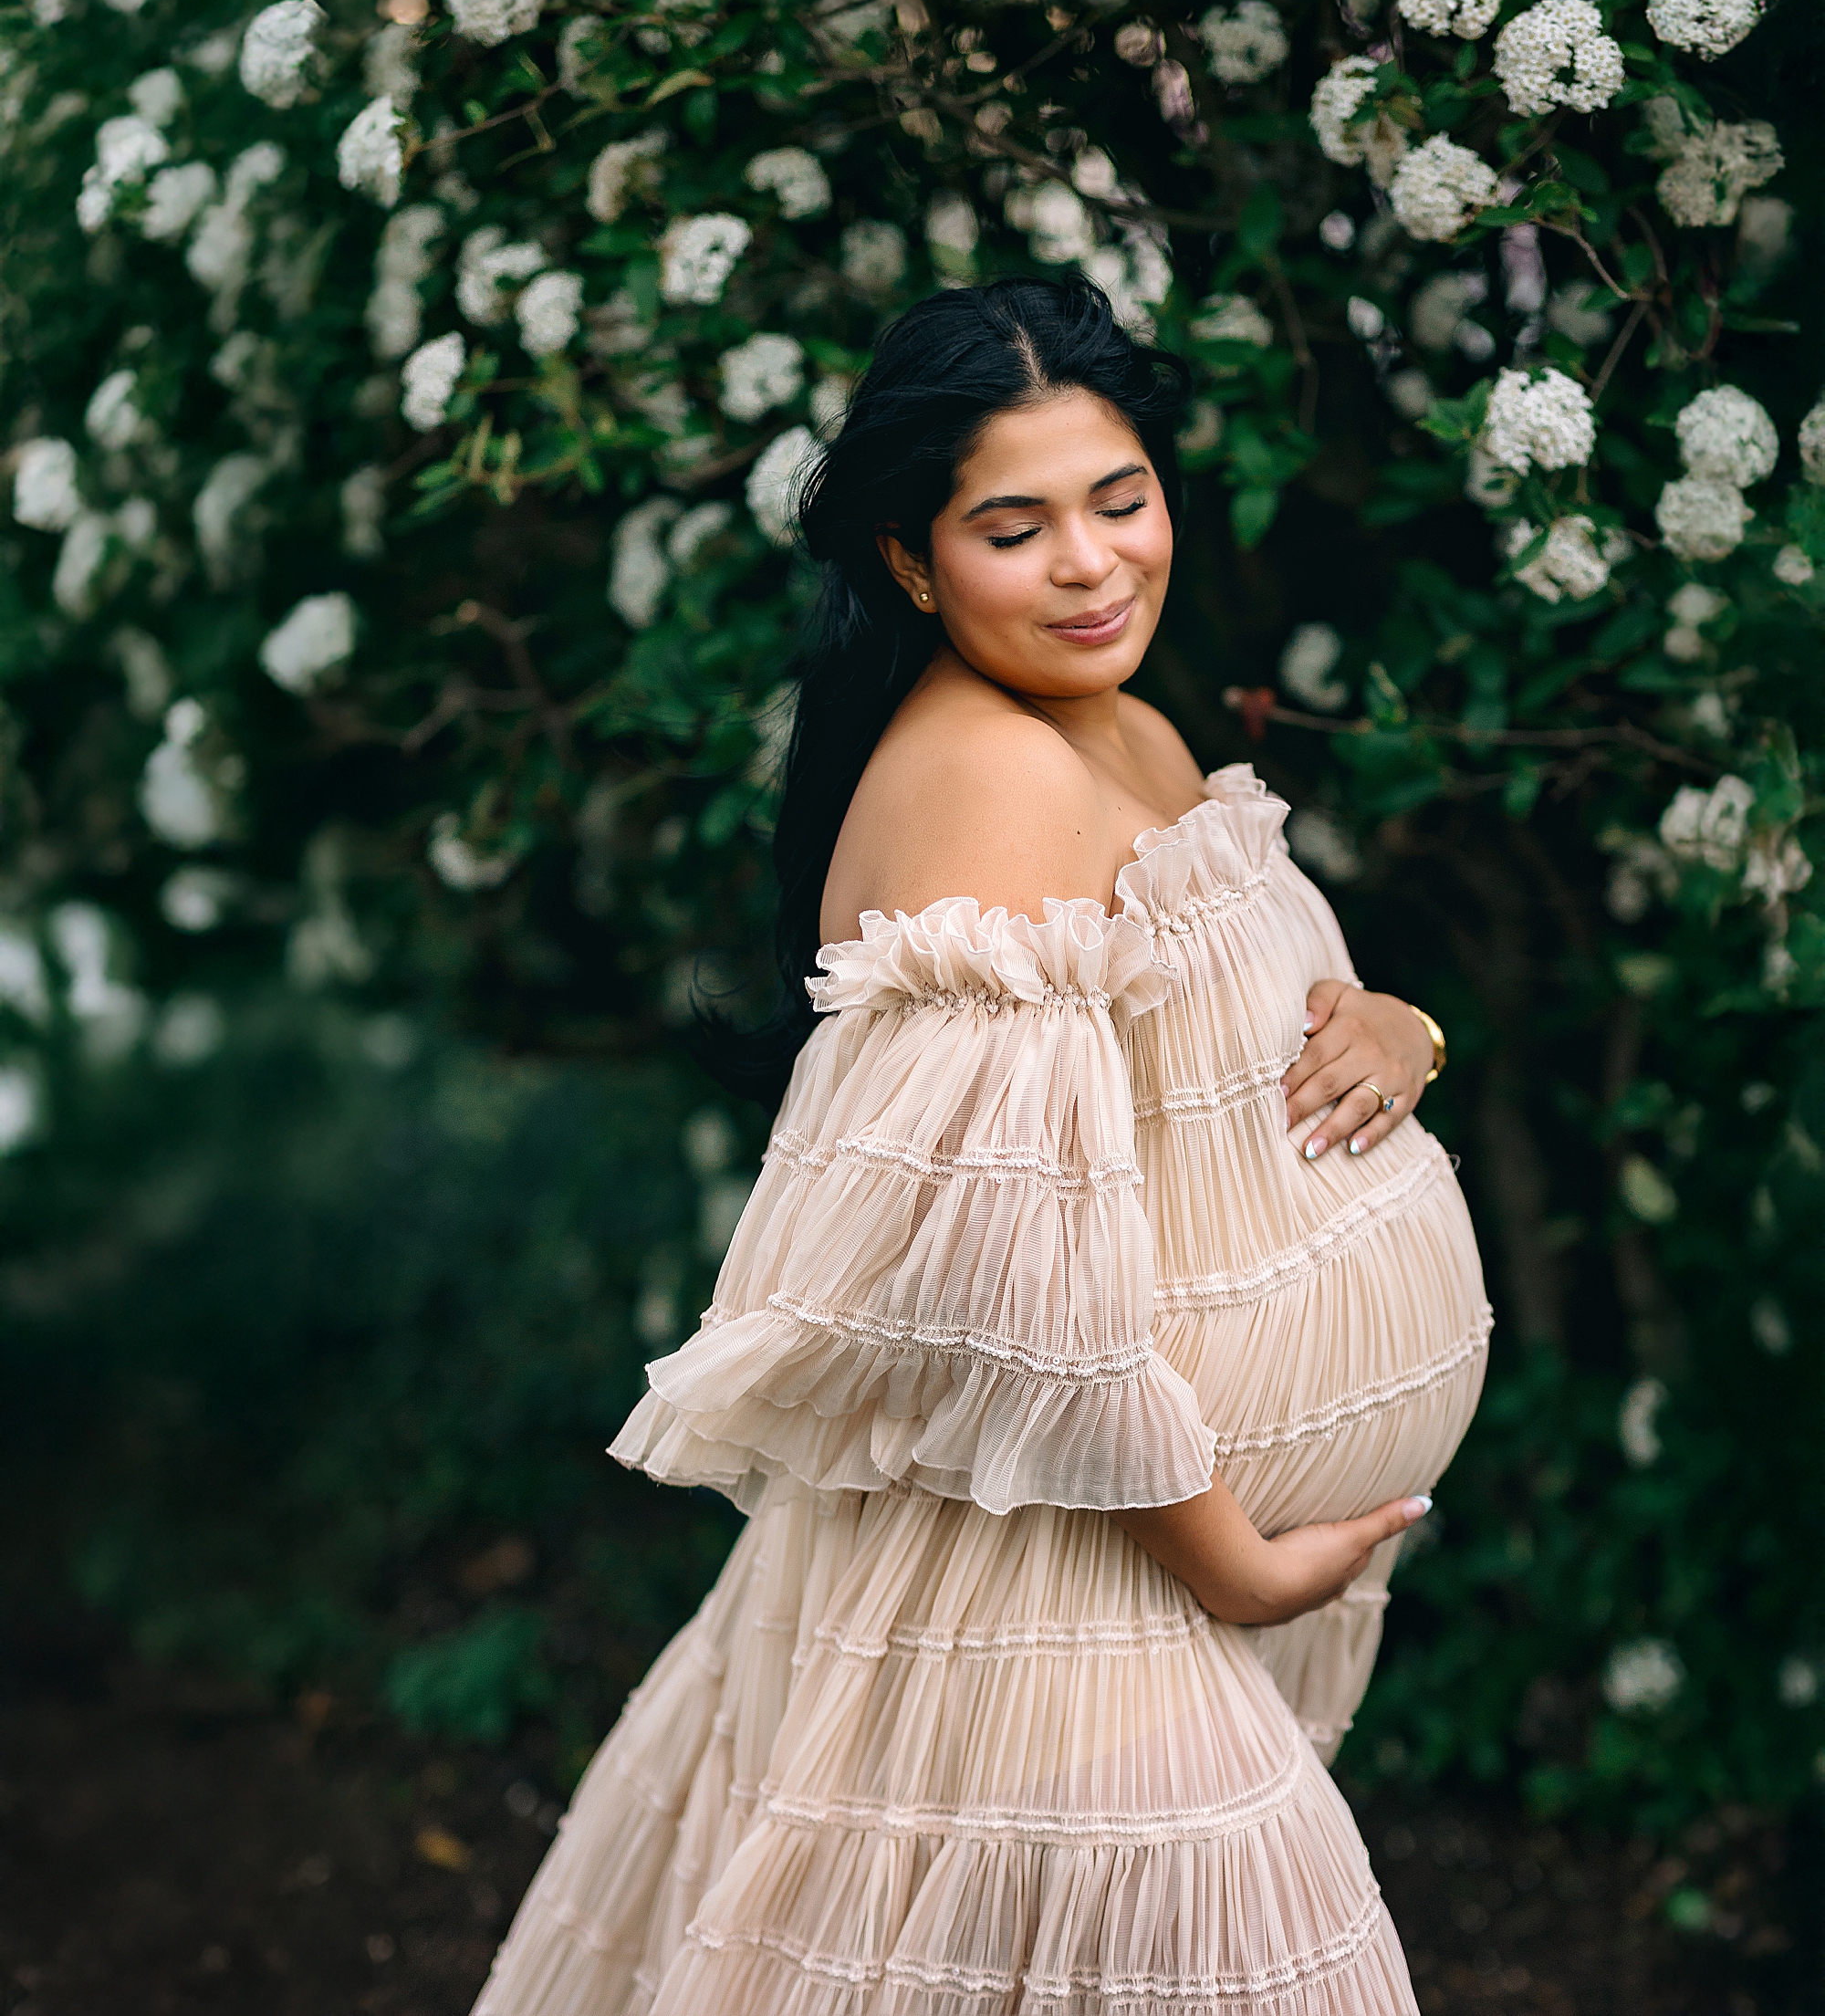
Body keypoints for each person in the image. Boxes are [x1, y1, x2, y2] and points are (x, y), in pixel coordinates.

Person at [475, 277, 1489, 2015]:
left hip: (1131, 1551)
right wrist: (1233, 1561)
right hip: (1067, 1567)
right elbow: (1010, 1281)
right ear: (910, 560)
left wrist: (1406, 1026)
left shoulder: (1135, 733)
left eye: (1121, 499)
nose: (1095, 565)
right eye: (1015, 528)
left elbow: (1250, 1042)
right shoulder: (992, 778)